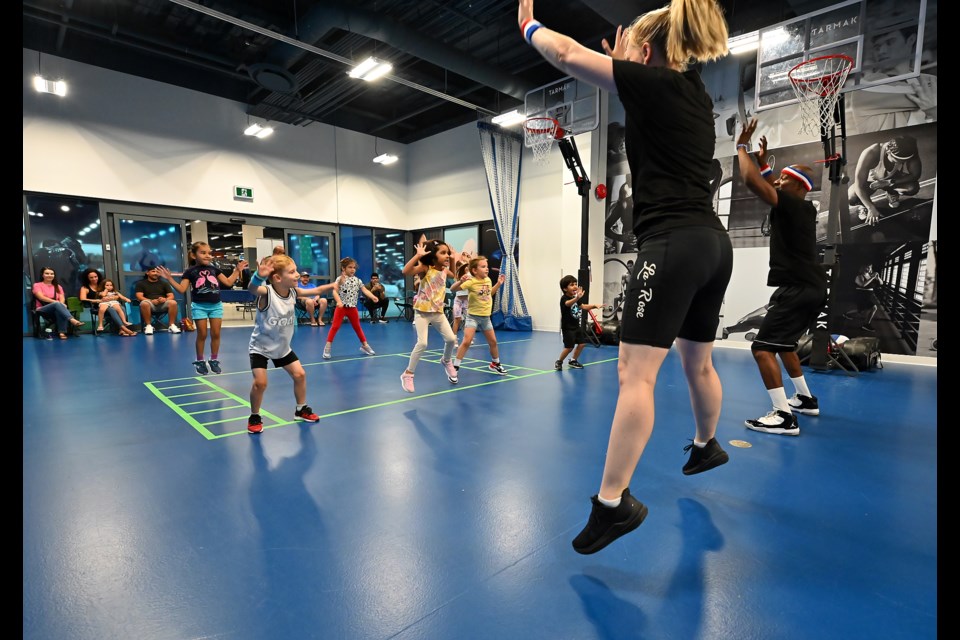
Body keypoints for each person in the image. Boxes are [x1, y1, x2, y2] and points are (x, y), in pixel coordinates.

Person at [519, 0, 733, 554]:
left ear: (644, 53)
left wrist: (530, 27)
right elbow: (649, 81)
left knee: (634, 376)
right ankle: (707, 444)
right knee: (698, 361)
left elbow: (565, 53)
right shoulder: (696, 94)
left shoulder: (653, 84)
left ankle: (611, 504)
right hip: (714, 245)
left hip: (672, 244)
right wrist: (631, 57)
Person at [735, 118, 828, 436]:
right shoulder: (804, 207)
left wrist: (741, 148)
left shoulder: (789, 203)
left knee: (761, 349)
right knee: (785, 344)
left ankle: (783, 416)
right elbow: (772, 182)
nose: (776, 182)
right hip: (810, 287)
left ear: (798, 187)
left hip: (798, 288)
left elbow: (752, 182)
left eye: (783, 179)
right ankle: (804, 398)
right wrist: (764, 163)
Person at [245, 255, 336, 434]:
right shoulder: (267, 293)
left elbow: (317, 289)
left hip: (282, 347)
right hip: (260, 348)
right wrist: (258, 276)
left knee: (300, 375)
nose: (297, 275)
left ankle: (301, 409)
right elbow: (252, 288)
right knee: (260, 383)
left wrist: (333, 286)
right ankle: (254, 415)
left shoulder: (294, 292)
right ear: (278, 278)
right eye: (292, 272)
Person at [157, 242, 248, 374]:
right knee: (202, 334)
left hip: (216, 306)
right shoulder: (190, 272)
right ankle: (200, 361)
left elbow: (228, 282)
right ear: (194, 255)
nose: (207, 255)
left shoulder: (214, 270)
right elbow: (182, 289)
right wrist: (170, 279)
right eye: (203, 253)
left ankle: (214, 359)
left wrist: (237, 270)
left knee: (216, 334)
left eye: (209, 253)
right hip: (199, 306)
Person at [848, 27, 937, 133]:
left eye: (890, 42)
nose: (882, 51)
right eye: (877, 47)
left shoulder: (929, 79)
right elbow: (925, 94)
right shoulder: (866, 87)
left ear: (911, 40)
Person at [400, 239, 460, 392]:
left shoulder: (444, 270)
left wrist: (453, 259)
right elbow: (405, 271)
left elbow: (453, 276)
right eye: (443, 253)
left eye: (448, 253)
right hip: (422, 313)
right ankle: (408, 374)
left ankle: (446, 360)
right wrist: (417, 256)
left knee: (451, 339)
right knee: (422, 344)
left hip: (438, 313)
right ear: (433, 256)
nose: (447, 255)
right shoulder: (426, 268)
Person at [848, 135, 922, 226]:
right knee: (851, 197)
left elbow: (915, 175)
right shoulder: (870, 153)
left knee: (912, 188)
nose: (900, 163)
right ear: (888, 151)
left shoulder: (910, 150)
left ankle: (891, 192)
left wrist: (889, 182)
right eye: (896, 160)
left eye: (903, 161)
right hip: (871, 182)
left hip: (891, 179)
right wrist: (870, 207)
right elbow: (858, 186)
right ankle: (865, 206)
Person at [451, 257, 507, 375]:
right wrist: (460, 281)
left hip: (486, 317)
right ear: (474, 270)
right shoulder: (471, 282)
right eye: (483, 267)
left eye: (487, 266)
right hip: (473, 317)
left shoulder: (488, 280)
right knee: (466, 341)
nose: (486, 269)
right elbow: (453, 289)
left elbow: (489, 293)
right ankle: (455, 367)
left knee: (493, 342)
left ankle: (495, 364)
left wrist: (498, 284)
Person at [322, 257, 378, 360]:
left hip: (352, 308)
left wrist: (372, 296)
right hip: (342, 308)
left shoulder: (358, 280)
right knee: (335, 327)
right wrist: (339, 301)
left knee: (357, 327)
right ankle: (327, 347)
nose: (352, 269)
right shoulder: (340, 279)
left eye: (354, 268)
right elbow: (335, 291)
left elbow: (364, 290)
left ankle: (365, 345)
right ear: (343, 268)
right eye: (350, 267)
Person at [555, 276, 606, 371]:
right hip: (568, 328)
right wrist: (577, 298)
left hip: (576, 326)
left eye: (575, 284)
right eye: (571, 285)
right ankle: (559, 361)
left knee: (582, 344)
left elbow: (583, 306)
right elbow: (568, 304)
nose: (575, 286)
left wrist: (595, 305)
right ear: (565, 288)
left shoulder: (576, 299)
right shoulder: (564, 298)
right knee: (569, 347)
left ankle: (573, 360)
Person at [78, 268, 137, 336]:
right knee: (111, 309)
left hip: (111, 302)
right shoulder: (85, 288)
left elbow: (115, 293)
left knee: (122, 308)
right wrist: (97, 300)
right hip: (98, 306)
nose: (94, 279)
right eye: (91, 277)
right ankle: (124, 328)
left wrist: (112, 297)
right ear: (87, 278)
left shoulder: (103, 284)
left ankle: (121, 330)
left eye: (95, 277)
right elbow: (83, 299)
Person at [31, 267, 85, 339]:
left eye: (52, 274)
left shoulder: (58, 286)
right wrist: (57, 303)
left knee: (59, 309)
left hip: (56, 308)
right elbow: (41, 297)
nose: (50, 275)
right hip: (42, 308)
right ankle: (72, 320)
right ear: (42, 275)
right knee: (57, 304)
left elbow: (62, 298)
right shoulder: (37, 285)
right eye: (47, 273)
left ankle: (62, 333)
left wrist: (61, 304)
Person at [135, 267, 183, 335]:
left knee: (173, 302)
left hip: (162, 304)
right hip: (150, 304)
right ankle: (148, 326)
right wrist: (151, 301)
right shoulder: (141, 284)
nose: (155, 273)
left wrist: (165, 299)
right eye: (153, 271)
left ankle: (172, 325)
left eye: (157, 272)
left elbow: (171, 296)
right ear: (147, 273)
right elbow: (139, 296)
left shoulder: (164, 283)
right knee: (144, 303)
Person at [842, 264, 883, 332]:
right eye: (867, 267)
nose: (869, 269)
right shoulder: (859, 276)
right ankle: (866, 324)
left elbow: (881, 283)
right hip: (861, 296)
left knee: (860, 311)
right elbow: (863, 285)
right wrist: (872, 278)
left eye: (870, 267)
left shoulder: (870, 276)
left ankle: (846, 314)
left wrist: (878, 277)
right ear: (863, 268)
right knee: (874, 307)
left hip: (868, 296)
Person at [450, 262, 470, 340]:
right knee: (457, 319)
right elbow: (453, 288)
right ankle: (454, 338)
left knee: (468, 319)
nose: (467, 268)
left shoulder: (471, 276)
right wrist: (461, 281)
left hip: (466, 300)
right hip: (458, 300)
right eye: (466, 267)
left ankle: (467, 337)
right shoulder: (460, 277)